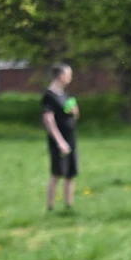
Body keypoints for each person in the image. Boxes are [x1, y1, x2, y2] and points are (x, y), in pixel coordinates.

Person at [41, 63, 79, 212]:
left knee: (71, 173)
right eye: (69, 74)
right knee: (57, 173)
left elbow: (73, 114)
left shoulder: (65, 94)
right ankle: (50, 208)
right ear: (61, 76)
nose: (71, 77)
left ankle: (69, 207)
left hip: (71, 137)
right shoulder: (49, 96)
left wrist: (75, 112)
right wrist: (60, 142)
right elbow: (48, 120)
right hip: (59, 140)